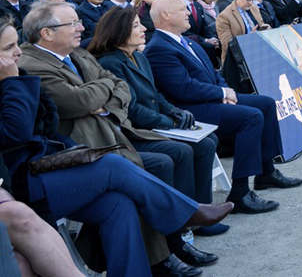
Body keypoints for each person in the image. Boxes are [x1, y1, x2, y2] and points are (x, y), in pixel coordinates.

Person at [0, 15, 233, 277]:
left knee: (118, 202)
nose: (18, 50)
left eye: (16, 44)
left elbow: (107, 91)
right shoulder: (21, 72)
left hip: (50, 163)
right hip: (19, 184)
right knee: (114, 165)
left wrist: (95, 100)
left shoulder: (55, 61)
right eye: (9, 48)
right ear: (47, 33)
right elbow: (18, 132)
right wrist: (12, 83)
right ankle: (185, 214)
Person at [145, 0, 302, 214]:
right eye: (183, 9)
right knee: (250, 117)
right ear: (165, 15)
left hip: (208, 99)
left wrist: (225, 92)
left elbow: (213, 74)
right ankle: (240, 193)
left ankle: (266, 172)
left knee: (265, 104)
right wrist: (221, 93)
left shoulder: (187, 41)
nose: (189, 13)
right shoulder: (158, 48)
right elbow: (183, 89)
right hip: (189, 109)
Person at [90, 8, 225, 237]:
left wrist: (175, 112)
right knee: (182, 150)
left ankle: (200, 211)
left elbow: (156, 95)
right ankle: (185, 218)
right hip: (136, 131)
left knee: (207, 141)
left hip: (153, 123)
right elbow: (131, 109)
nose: (144, 28)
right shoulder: (110, 63)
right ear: (119, 31)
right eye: (136, 26)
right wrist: (168, 122)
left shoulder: (139, 57)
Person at [215, 0, 268, 67]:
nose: (250, 3)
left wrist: (265, 29)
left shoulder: (254, 8)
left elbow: (259, 26)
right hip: (238, 61)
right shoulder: (224, 16)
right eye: (247, 0)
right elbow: (227, 44)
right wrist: (248, 38)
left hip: (258, 52)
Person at [177, 0, 221, 66]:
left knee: (221, 42)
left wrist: (212, 38)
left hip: (199, 39)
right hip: (186, 40)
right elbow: (183, 31)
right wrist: (206, 40)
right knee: (209, 46)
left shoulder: (197, 6)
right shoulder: (177, 5)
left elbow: (205, 26)